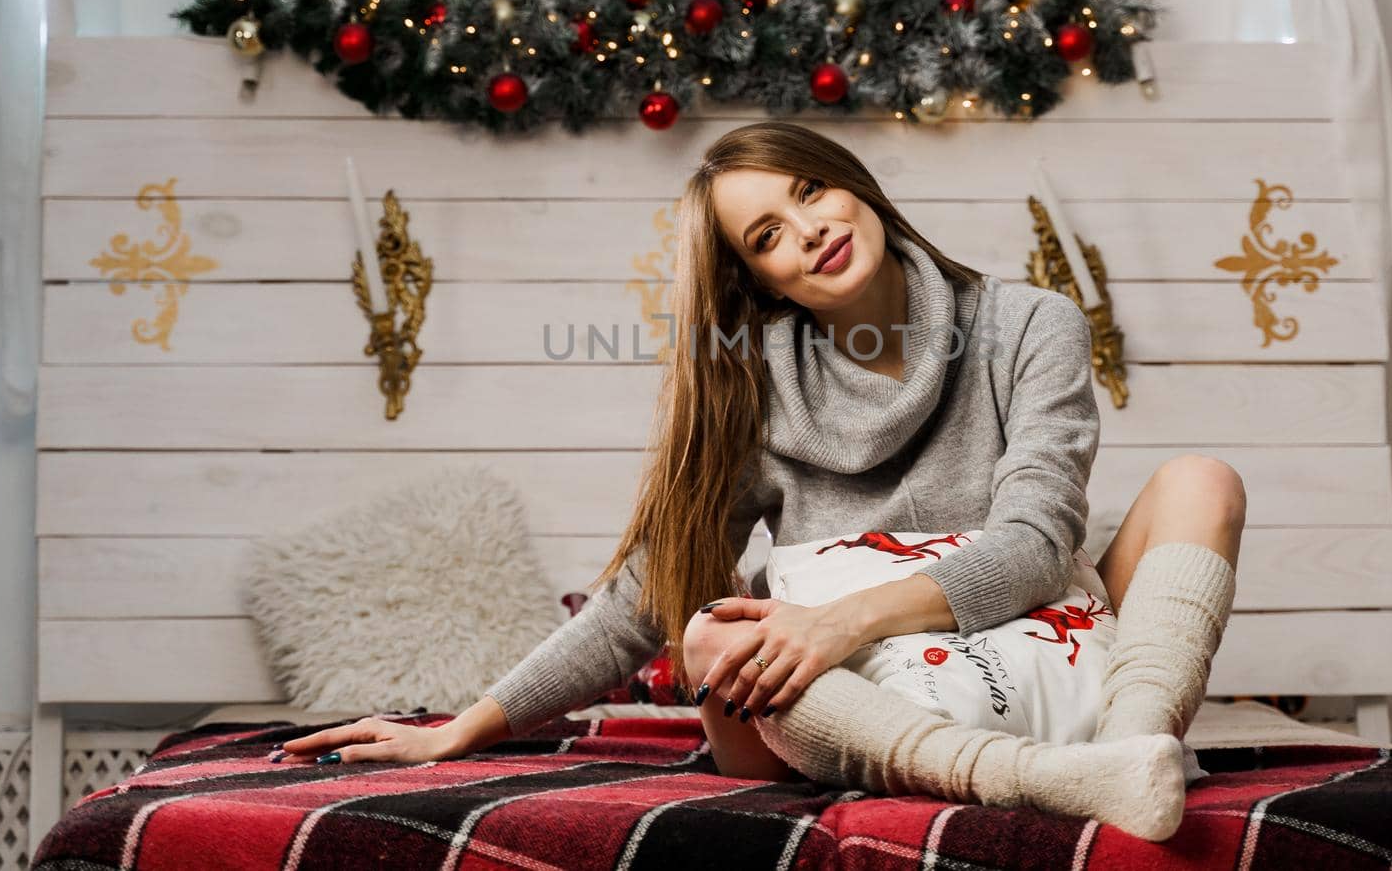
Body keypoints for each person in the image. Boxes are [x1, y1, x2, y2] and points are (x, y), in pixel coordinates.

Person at [274, 121, 1245, 842]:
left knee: (1201, 476)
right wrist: (461, 729)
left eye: (810, 189)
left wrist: (841, 615)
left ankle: (1126, 753)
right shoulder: (751, 379)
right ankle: (1048, 776)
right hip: (846, 693)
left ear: (852, 182)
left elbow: (1037, 544)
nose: (809, 228)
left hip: (1030, 633)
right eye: (767, 236)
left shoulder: (1028, 323)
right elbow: (642, 595)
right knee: (706, 625)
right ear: (762, 282)